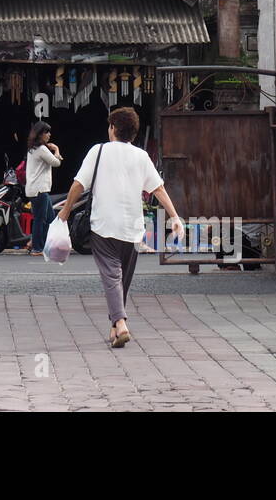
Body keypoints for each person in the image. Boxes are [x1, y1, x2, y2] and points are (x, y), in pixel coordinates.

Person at [58, 107, 183, 349]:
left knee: (112, 276)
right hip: (133, 228)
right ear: (134, 133)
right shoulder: (141, 156)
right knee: (121, 279)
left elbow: (78, 184)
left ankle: (121, 322)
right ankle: (115, 328)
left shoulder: (99, 151)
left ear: (113, 128)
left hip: (104, 226)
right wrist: (175, 216)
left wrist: (64, 211)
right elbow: (158, 189)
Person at [24, 121, 61, 257]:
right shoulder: (42, 150)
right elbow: (56, 162)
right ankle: (37, 248)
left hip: (35, 189)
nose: (49, 135)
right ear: (40, 134)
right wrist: (56, 149)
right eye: (47, 132)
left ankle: (39, 243)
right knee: (40, 219)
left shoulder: (33, 149)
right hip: (39, 190)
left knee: (50, 219)